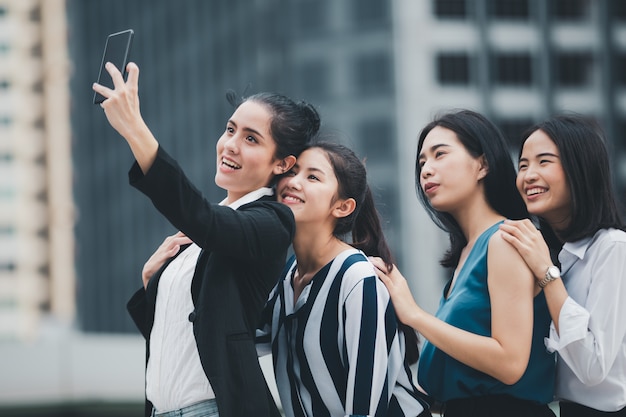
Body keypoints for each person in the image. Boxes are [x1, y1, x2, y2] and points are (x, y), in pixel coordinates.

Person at [92, 62, 320, 417]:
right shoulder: (196, 238)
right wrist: (152, 284)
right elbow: (185, 337)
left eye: (250, 139)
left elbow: (205, 219)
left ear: (281, 164)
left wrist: (135, 129)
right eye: (230, 130)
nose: (230, 145)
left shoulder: (271, 222)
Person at [370, 110, 557, 417]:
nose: (427, 170)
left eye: (439, 154)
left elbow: (510, 363)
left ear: (482, 164)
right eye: (421, 163)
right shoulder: (468, 254)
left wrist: (415, 315)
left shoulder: (504, 240)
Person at [255, 141, 432, 417]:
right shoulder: (287, 278)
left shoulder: (357, 279)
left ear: (342, 206)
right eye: (292, 172)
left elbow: (365, 410)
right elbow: (238, 340)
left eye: (312, 176)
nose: (293, 182)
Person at [499, 114, 626, 416]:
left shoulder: (613, 247)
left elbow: (592, 367)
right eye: (523, 164)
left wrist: (547, 274)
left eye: (544, 161)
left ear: (580, 169)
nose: (528, 175)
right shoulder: (555, 255)